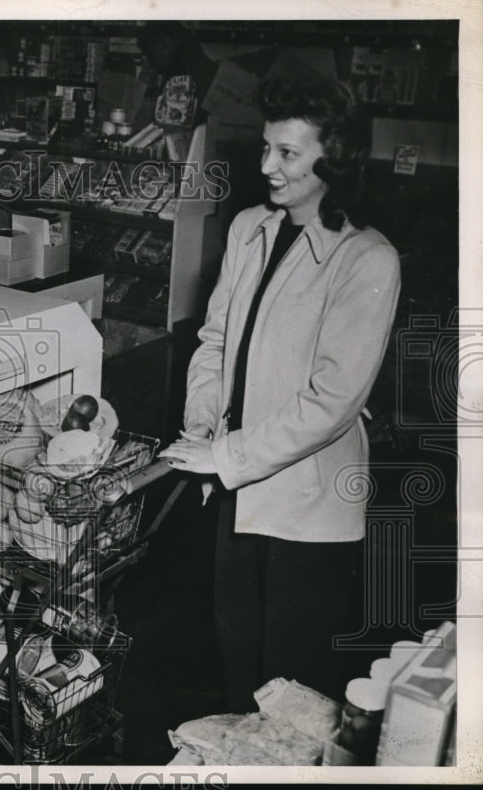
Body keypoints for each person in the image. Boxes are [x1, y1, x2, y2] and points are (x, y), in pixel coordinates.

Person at [159, 77, 401, 711]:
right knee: (236, 662)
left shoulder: (367, 259)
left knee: (292, 688)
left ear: (335, 157)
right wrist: (202, 423)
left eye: (288, 153)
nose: (267, 166)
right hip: (236, 491)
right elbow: (214, 341)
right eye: (266, 148)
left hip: (309, 505)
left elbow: (334, 399)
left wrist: (227, 457)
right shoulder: (248, 229)